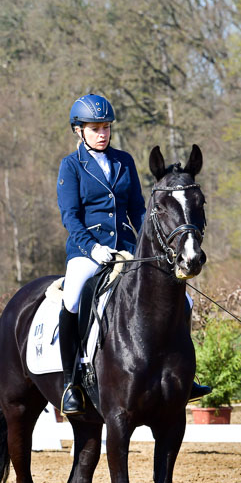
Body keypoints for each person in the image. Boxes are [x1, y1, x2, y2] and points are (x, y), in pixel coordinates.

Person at [56, 93, 210, 417]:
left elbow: (140, 210)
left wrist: (153, 246)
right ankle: (73, 380)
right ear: (79, 131)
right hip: (88, 249)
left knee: (186, 300)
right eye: (95, 128)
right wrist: (94, 248)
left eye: (106, 127)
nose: (102, 133)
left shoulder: (124, 161)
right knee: (73, 298)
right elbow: (70, 217)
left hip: (128, 248)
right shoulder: (71, 166)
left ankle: (185, 375)